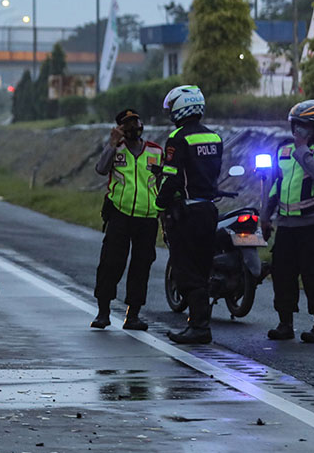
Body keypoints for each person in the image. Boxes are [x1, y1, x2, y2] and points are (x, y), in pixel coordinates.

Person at [261, 100, 314, 343]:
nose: (298, 131)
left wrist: (303, 149)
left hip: (313, 226)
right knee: (282, 275)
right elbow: (275, 184)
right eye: (295, 125)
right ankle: (285, 323)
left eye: (304, 126)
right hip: (286, 226)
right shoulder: (282, 149)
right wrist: (265, 216)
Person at [156, 85, 222, 345]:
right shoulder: (214, 138)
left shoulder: (178, 138)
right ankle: (200, 324)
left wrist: (160, 203)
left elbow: (171, 177)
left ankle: (198, 327)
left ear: (180, 109)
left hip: (187, 212)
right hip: (209, 209)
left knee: (186, 269)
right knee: (203, 268)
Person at [91, 108, 163, 331]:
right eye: (127, 124)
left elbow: (162, 182)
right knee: (111, 263)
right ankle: (103, 313)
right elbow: (101, 169)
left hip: (147, 218)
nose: (133, 127)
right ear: (119, 128)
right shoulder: (116, 149)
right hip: (120, 215)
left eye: (136, 122)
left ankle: (133, 315)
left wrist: (164, 211)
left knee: (142, 266)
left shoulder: (155, 151)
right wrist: (112, 143)